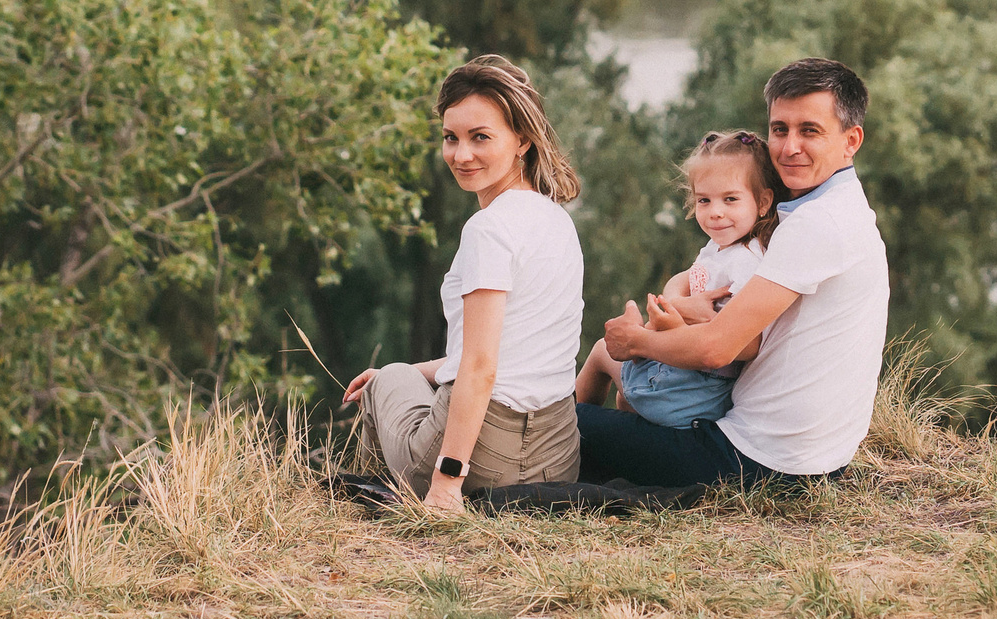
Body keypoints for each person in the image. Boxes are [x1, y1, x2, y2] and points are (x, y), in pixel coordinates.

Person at [576, 57, 888, 489]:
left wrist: (638, 341)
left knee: (555, 421)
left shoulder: (818, 224)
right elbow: (697, 284)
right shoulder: (835, 210)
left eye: (809, 131)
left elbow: (717, 350)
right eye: (779, 129)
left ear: (851, 140)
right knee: (602, 415)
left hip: (754, 461)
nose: (788, 147)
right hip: (804, 457)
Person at [342, 56, 584, 513]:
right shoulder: (557, 219)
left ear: (523, 141)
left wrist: (447, 482)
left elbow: (480, 367)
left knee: (385, 379)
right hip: (557, 461)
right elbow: (508, 353)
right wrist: (419, 373)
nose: (461, 154)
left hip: (484, 463)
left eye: (480, 137)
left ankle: (377, 502)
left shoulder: (488, 229)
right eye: (451, 138)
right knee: (401, 375)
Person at [573, 129, 781, 426]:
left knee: (602, 353)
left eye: (730, 199)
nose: (716, 213)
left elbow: (747, 344)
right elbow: (682, 280)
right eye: (704, 200)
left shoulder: (747, 261)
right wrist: (676, 304)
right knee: (624, 395)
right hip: (685, 379)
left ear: (762, 202)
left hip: (694, 390)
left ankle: (571, 437)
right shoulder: (720, 247)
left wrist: (680, 322)